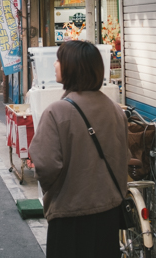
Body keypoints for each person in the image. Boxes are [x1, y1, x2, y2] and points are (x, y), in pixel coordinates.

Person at [28, 40, 129, 258]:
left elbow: (45, 165)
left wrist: (55, 191)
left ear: (72, 67)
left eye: (59, 60)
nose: (55, 64)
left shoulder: (57, 111)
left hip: (70, 215)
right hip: (109, 213)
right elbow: (123, 157)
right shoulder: (114, 109)